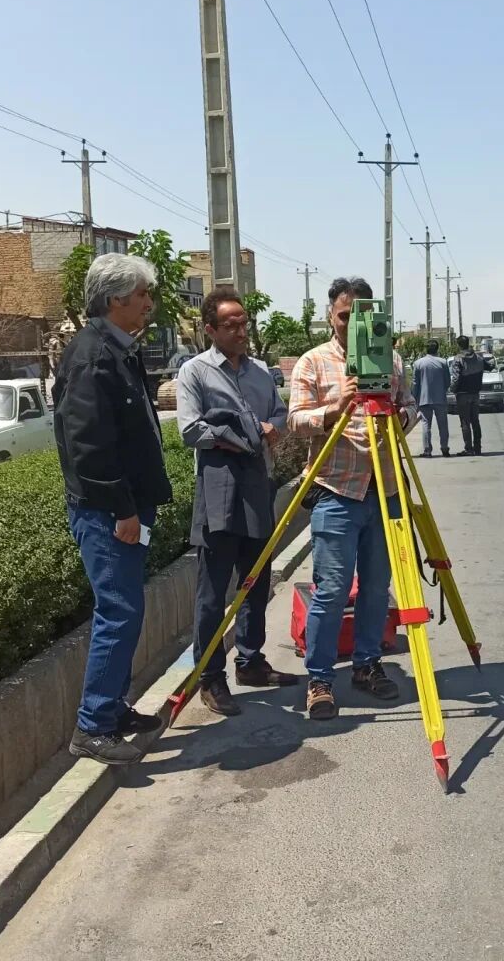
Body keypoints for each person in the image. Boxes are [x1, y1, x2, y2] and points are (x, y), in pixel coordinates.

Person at [53, 253, 172, 766]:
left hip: (125, 508)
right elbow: (88, 447)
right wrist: (123, 509)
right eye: (143, 294)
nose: (149, 303)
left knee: (127, 610)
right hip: (107, 513)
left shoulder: (119, 350)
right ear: (116, 299)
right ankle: (93, 725)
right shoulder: (92, 356)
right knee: (118, 612)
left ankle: (115, 710)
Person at [288, 277, 417, 720]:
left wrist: (401, 413)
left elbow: (411, 408)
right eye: (345, 316)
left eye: (362, 316)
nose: (352, 325)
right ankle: (320, 678)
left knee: (378, 588)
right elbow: (296, 422)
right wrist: (334, 408)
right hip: (336, 491)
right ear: (331, 315)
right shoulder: (313, 362)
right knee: (332, 589)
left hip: (384, 490)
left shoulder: (393, 359)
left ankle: (367, 665)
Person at [175, 288, 296, 717]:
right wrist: (232, 437)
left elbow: (281, 414)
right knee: (213, 591)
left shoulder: (262, 372)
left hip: (257, 484)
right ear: (210, 329)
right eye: (231, 325)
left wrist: (269, 428)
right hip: (218, 487)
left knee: (256, 580)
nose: (241, 331)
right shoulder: (195, 372)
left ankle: (251, 661)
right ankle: (210, 676)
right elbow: (188, 430)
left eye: (244, 323)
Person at [449, 335, 490, 456]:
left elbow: (456, 378)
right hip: (475, 394)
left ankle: (468, 449)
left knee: (465, 422)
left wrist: (453, 389)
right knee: (475, 421)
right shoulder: (478, 358)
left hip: (462, 395)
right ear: (468, 343)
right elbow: (489, 366)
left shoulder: (458, 359)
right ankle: (478, 448)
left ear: (459, 345)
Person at [412, 339, 451, 458]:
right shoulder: (443, 362)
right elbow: (447, 381)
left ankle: (427, 450)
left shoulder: (418, 363)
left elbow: (415, 383)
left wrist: (414, 397)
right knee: (443, 424)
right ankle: (444, 448)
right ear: (437, 349)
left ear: (426, 349)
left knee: (425, 424)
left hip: (424, 399)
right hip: (440, 399)